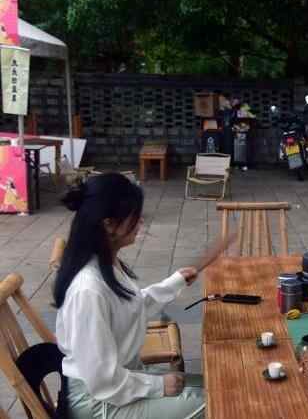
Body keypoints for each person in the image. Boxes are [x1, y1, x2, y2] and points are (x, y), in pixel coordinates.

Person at [53, 173, 205, 419]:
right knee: (215, 404)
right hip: (98, 401)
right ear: (108, 224)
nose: (140, 222)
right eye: (134, 217)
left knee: (216, 385)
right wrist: (157, 385)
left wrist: (175, 282)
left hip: (121, 381)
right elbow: (101, 379)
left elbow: (132, 307)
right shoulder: (87, 290)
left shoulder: (105, 264)